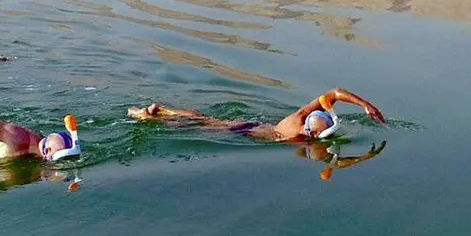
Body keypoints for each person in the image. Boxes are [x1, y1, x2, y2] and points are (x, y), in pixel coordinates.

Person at [127, 88, 386, 142]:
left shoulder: (305, 122)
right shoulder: (298, 125)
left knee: (204, 118)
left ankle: (162, 110)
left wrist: (366, 105)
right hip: (244, 131)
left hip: (254, 125)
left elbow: (333, 96)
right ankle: (152, 117)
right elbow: (334, 91)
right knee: (199, 126)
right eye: (317, 133)